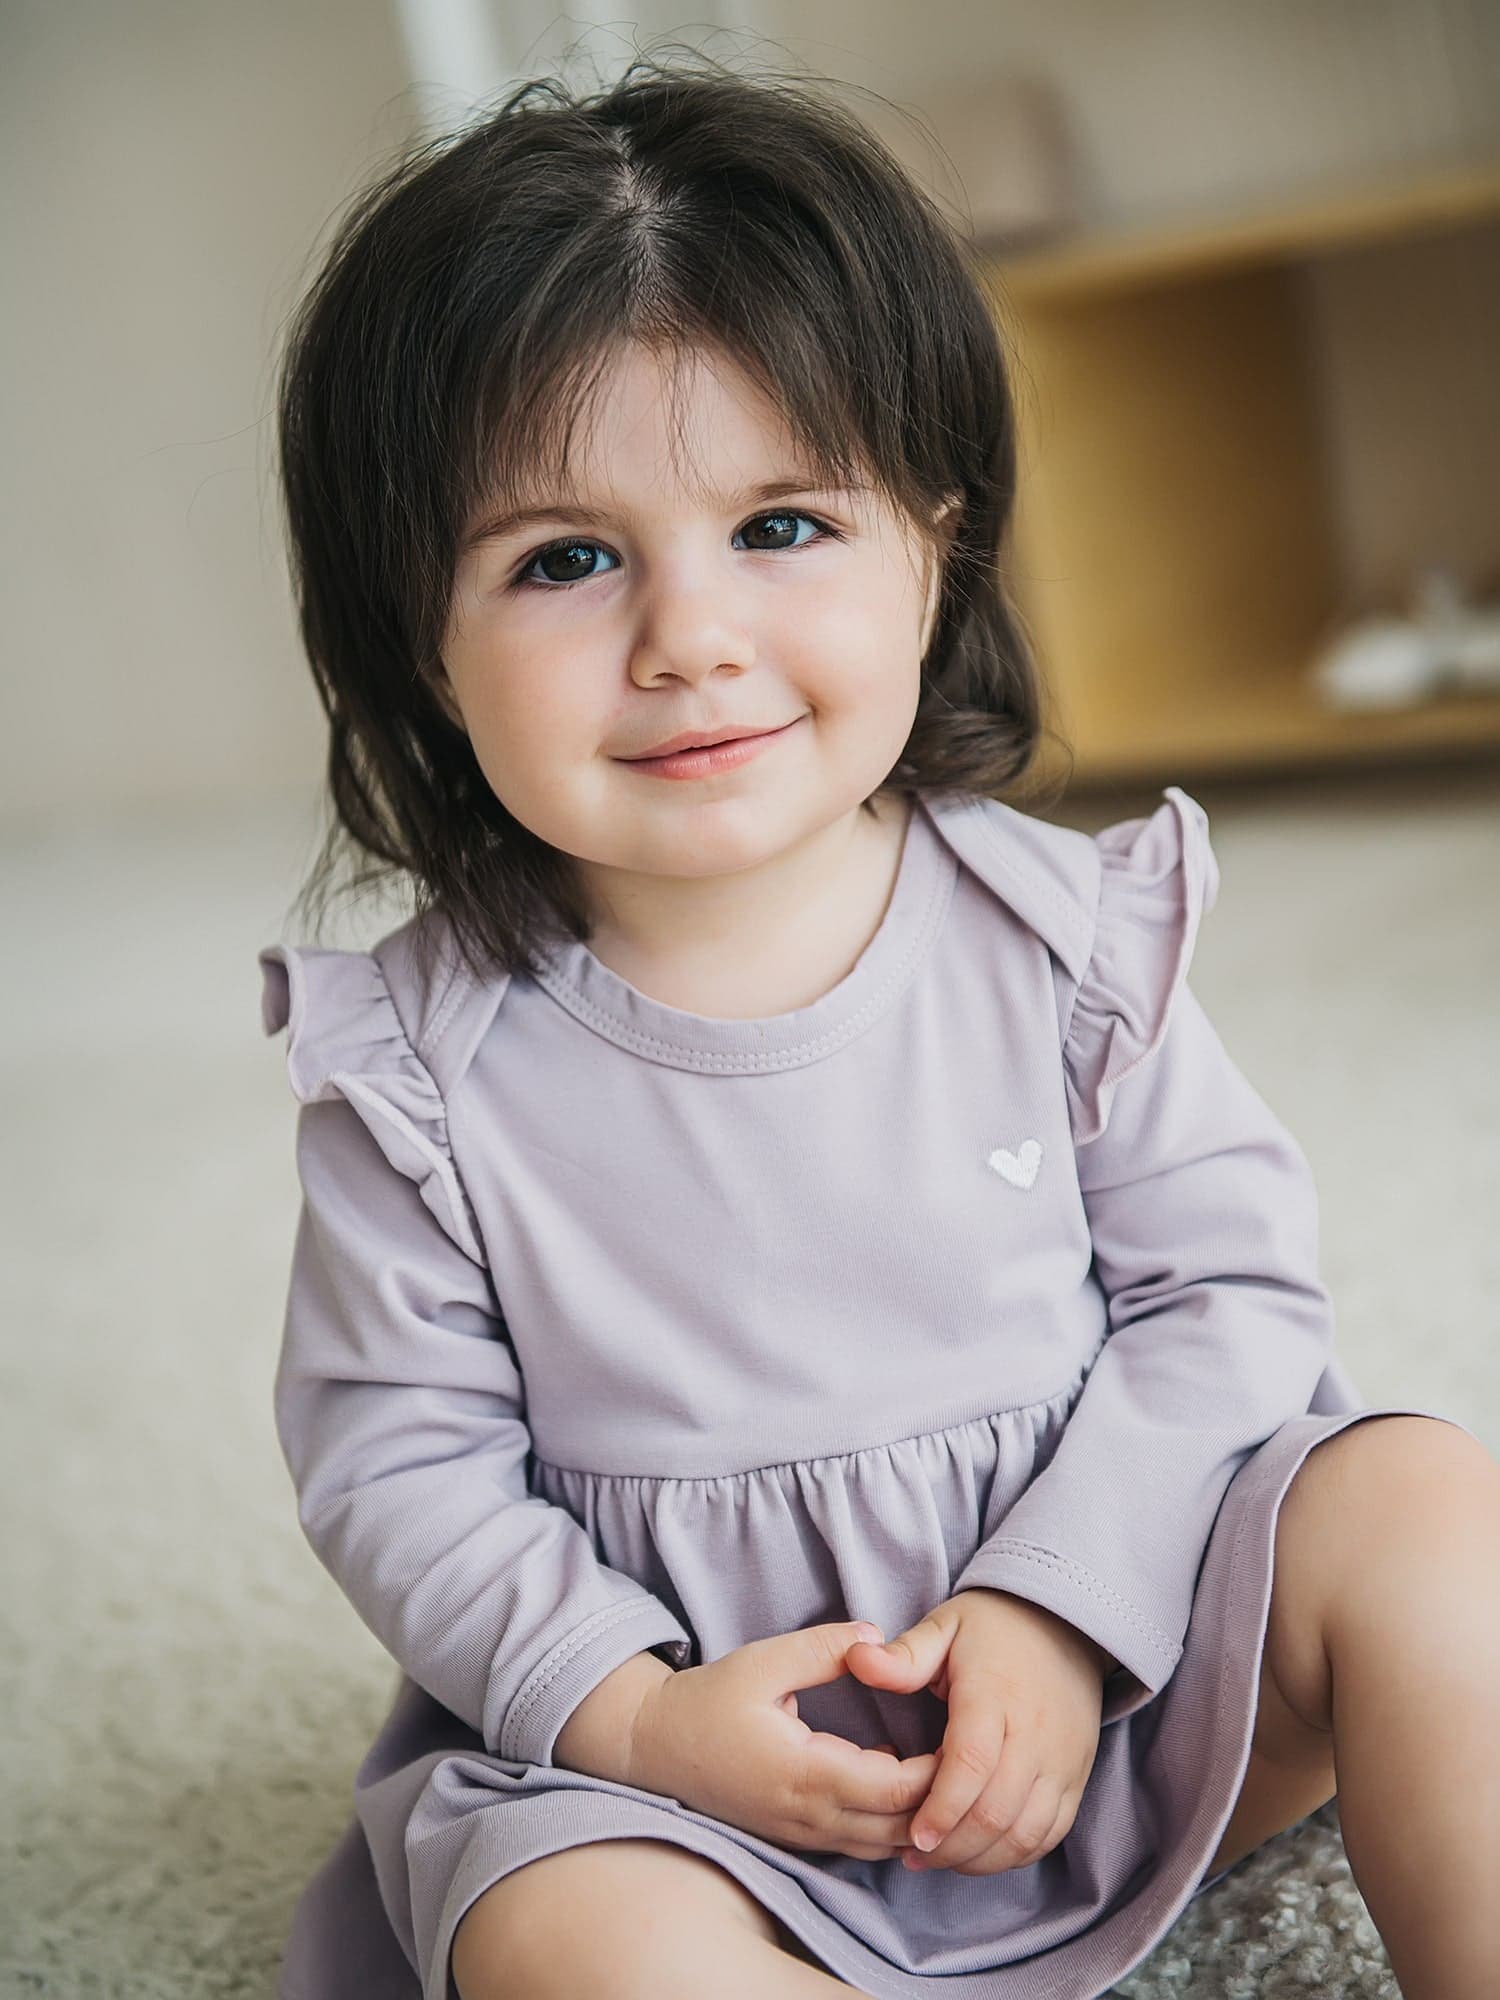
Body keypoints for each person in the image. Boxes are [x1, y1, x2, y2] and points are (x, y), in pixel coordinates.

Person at [256, 52, 1500, 2000]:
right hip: (695, 1783)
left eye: (780, 525)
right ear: (421, 639)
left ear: (934, 536)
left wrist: (1060, 1615)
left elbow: (1227, 1297)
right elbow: (397, 1469)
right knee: (566, 1944)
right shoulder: (418, 1077)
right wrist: (641, 1717)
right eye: (565, 559)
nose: (690, 637)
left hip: (1136, 1676)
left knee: (1427, 1506)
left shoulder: (1062, 941)